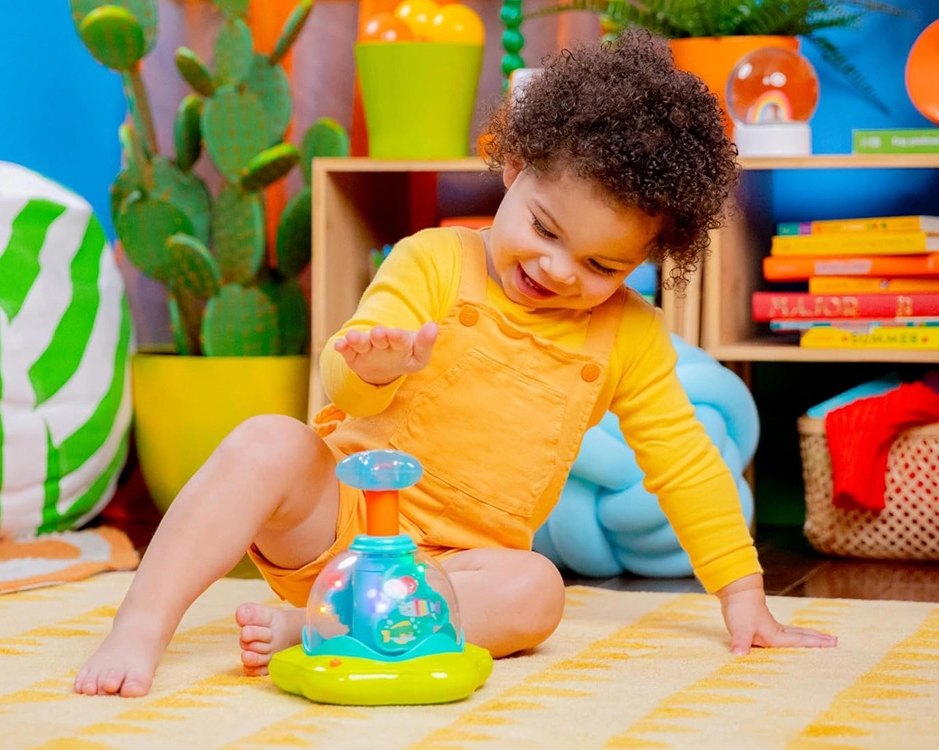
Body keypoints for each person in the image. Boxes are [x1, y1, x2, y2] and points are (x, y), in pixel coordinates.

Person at [75, 30, 837, 698]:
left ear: (646, 258)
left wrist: (744, 596)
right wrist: (376, 367)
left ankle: (318, 631)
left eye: (602, 265)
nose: (559, 270)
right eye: (545, 230)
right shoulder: (434, 259)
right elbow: (344, 388)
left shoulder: (629, 335)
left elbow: (686, 464)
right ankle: (142, 623)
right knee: (266, 440)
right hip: (336, 525)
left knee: (537, 590)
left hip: (456, 571)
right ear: (514, 167)